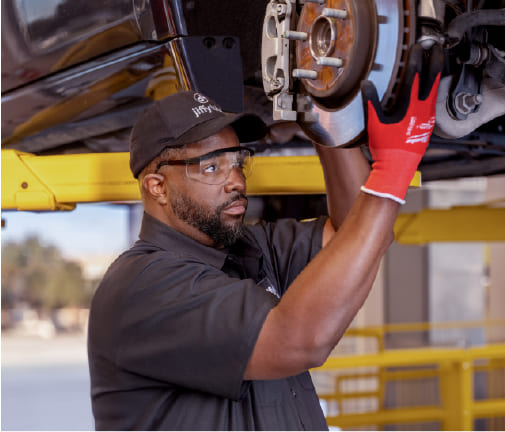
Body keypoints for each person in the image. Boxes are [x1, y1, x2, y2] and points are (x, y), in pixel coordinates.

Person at [88, 44, 442, 430]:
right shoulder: (142, 288)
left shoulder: (248, 251)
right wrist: (390, 175)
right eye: (211, 167)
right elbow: (299, 340)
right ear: (157, 187)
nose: (236, 181)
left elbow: (360, 233)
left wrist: (323, 112)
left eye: (238, 161)